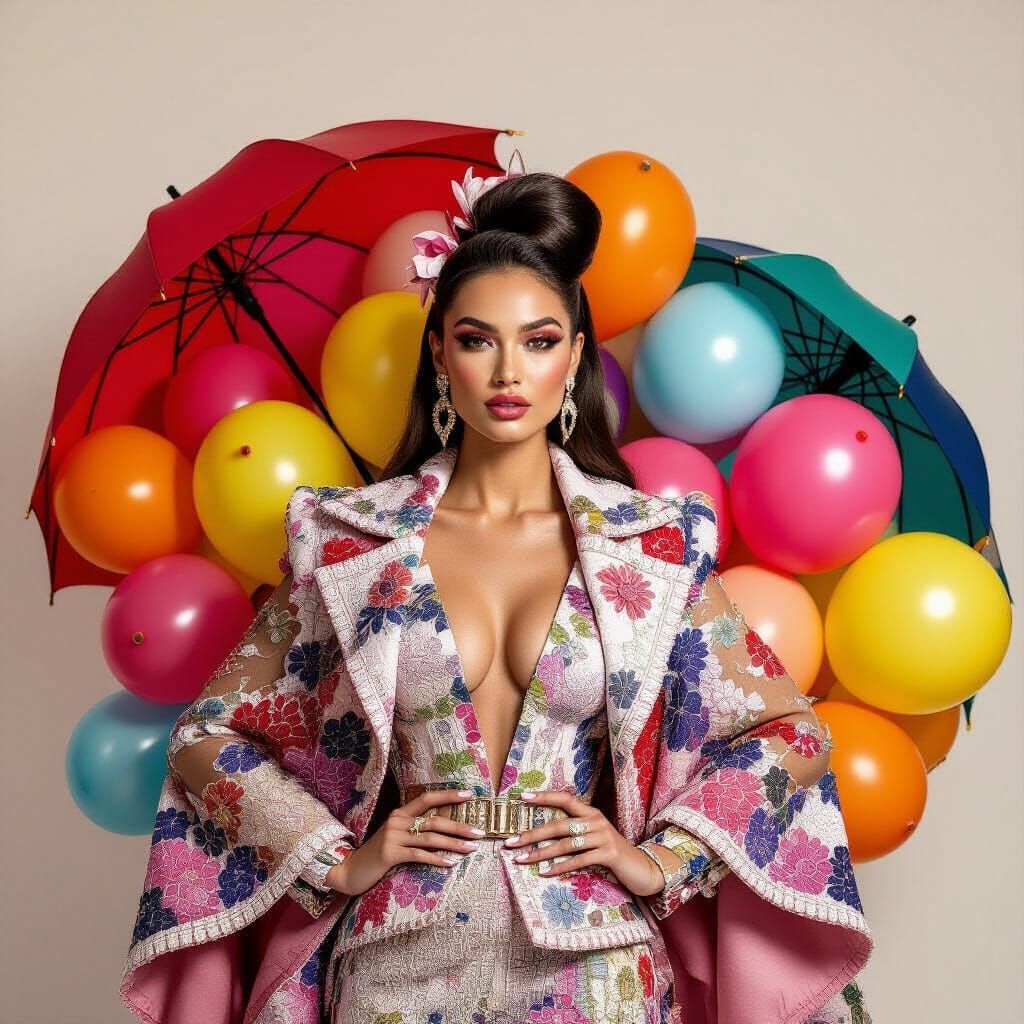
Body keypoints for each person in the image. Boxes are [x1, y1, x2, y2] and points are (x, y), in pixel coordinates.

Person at [120, 167, 874, 1023]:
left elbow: (790, 733)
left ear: (577, 357)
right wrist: (332, 858)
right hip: (394, 957)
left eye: (540, 340)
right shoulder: (354, 541)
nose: (509, 370)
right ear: (438, 351)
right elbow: (208, 735)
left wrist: (662, 859)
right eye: (478, 339)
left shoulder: (651, 547)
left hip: (597, 962)